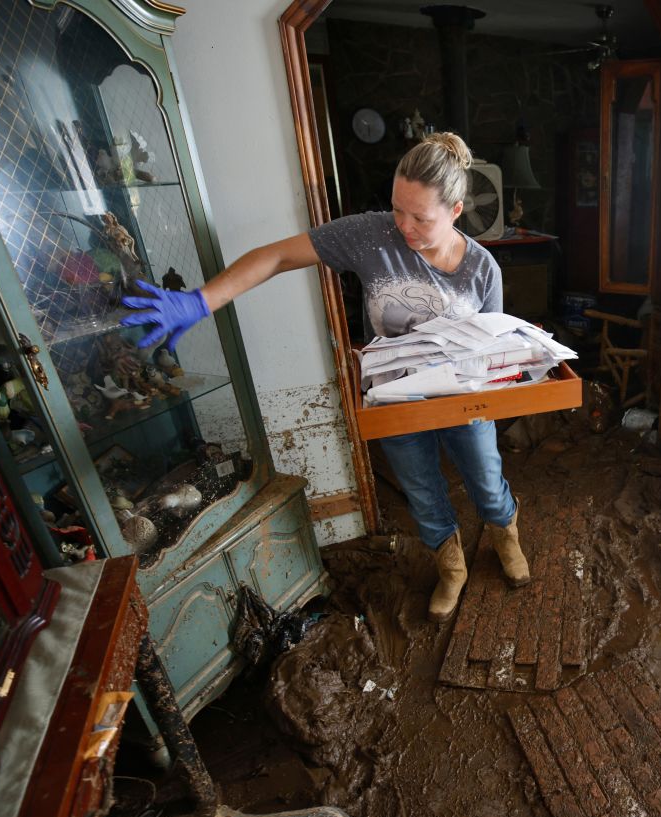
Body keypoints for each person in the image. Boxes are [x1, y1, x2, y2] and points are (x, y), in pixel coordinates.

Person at [120, 132, 530, 624]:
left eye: (420, 218)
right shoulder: (373, 235)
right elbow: (276, 256)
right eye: (398, 209)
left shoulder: (482, 269)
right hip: (393, 397)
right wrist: (203, 299)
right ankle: (453, 568)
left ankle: (505, 536)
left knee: (485, 479)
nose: (403, 226)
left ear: (457, 211)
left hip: (461, 397)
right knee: (422, 490)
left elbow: (492, 351)